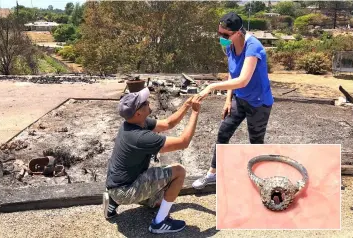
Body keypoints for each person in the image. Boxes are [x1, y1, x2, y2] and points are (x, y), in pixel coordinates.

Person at [192, 12, 274, 189]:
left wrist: (211, 87)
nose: (221, 37)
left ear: (238, 32)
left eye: (225, 35)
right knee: (223, 132)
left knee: (256, 142)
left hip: (258, 103)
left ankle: (259, 180)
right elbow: (233, 72)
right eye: (219, 33)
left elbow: (243, 79)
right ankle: (212, 174)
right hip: (239, 98)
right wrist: (228, 99)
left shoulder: (254, 47)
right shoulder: (229, 47)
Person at [103, 87, 202, 234]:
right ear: (138, 113)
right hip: (126, 190)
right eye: (145, 103)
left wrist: (186, 105)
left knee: (160, 201)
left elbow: (168, 123)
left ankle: (113, 201)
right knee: (179, 171)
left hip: (116, 185)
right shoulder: (140, 137)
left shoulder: (133, 124)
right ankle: (159, 223)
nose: (148, 102)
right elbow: (183, 142)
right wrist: (195, 112)